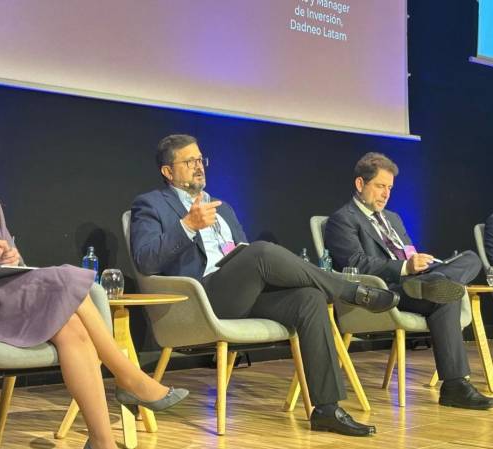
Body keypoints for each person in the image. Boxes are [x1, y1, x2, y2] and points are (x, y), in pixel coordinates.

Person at [0, 106, 187, 449]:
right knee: (67, 277)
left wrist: (10, 257)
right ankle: (128, 376)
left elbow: (10, 256)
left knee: (73, 329)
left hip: (1, 296)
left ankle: (102, 441)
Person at [130, 134, 401, 437]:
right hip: (200, 300)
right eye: (189, 161)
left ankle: (326, 409)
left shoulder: (222, 207)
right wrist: (188, 225)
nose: (199, 166)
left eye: (200, 159)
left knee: (309, 298)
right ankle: (348, 290)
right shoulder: (151, 204)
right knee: (260, 252)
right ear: (168, 171)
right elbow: (145, 260)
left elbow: (240, 253)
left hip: (239, 293)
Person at [325, 152, 493, 410]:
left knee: (470, 259)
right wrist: (406, 267)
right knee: (445, 296)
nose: (386, 194)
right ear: (360, 184)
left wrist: (422, 263)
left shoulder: (392, 218)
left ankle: (435, 281)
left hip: (416, 283)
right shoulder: (343, 219)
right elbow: (356, 264)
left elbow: (407, 251)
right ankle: (455, 386)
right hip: (382, 292)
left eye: (390, 188)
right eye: (380, 186)